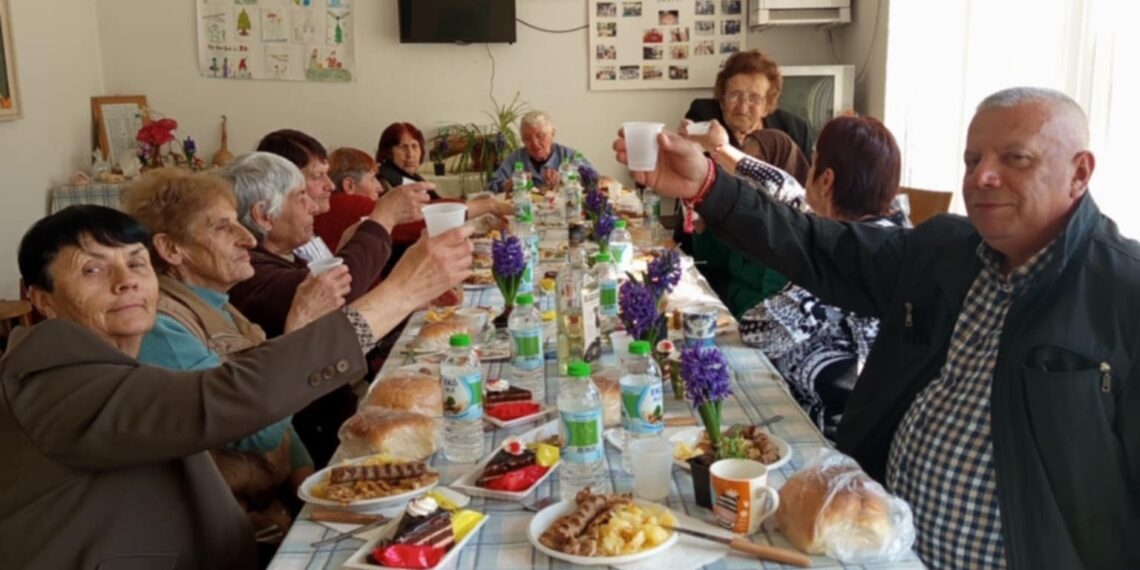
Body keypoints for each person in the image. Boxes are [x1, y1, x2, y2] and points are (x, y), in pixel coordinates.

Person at [616, 87, 1139, 568]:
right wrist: (707, 187)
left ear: (1080, 172)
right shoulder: (945, 251)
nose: (982, 177)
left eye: (1015, 158)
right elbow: (816, 244)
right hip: (875, 546)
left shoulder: (1123, 297)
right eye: (972, 159)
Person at [0, 205, 472, 569]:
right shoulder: (47, 377)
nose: (126, 282)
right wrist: (402, 292)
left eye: (136, 264)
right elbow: (233, 396)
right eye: (92, 269)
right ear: (43, 300)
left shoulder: (123, 352)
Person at [120, 169, 346, 544]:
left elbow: (284, 426)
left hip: (277, 507)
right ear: (172, 249)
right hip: (231, 535)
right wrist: (300, 328)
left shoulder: (220, 305)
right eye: (224, 227)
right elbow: (256, 428)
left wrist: (311, 492)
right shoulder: (163, 328)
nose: (249, 238)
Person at [684, 116, 906, 440]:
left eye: (813, 163)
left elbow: (760, 329)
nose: (805, 174)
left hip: (833, 434)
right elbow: (787, 189)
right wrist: (723, 149)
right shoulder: (893, 234)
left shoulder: (845, 256)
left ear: (826, 180)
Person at [222, 152, 421, 465]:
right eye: (301, 196)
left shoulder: (284, 257)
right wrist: (383, 219)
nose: (314, 206)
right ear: (263, 216)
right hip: (323, 440)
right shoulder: (250, 276)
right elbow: (339, 293)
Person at [684, 128, 811, 314]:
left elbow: (770, 306)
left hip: (753, 322)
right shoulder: (748, 210)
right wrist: (701, 225)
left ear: (778, 167)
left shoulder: (789, 232)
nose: (746, 174)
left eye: (756, 164)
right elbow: (715, 260)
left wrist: (730, 291)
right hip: (728, 312)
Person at [685, 49, 814, 161]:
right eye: (734, 96)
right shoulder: (704, 115)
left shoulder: (795, 131)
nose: (742, 107)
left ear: (767, 105)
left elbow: (805, 180)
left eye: (754, 98)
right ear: (722, 99)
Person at [486, 110, 594, 193]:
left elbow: (594, 180)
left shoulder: (570, 156)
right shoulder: (515, 158)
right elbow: (490, 187)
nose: (535, 143)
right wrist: (510, 184)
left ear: (552, 134)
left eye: (540, 136)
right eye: (527, 138)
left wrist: (565, 180)